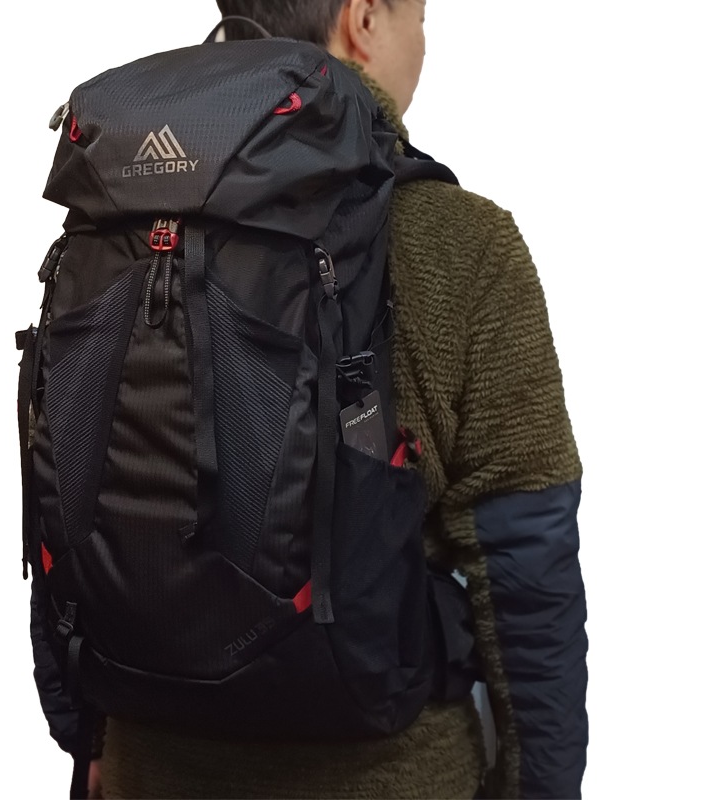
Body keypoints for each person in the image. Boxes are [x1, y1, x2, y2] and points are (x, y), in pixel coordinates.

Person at [38, 1, 588, 797]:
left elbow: (68, 474)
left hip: (142, 763)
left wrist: (83, 732)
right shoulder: (460, 239)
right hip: (391, 772)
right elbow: (526, 559)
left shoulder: (112, 217)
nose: (423, 41)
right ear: (363, 18)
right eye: (419, 16)